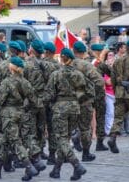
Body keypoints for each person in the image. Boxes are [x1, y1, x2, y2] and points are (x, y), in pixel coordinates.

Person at [0, 56, 39, 181]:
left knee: (15, 142)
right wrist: (26, 109)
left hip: (8, 114)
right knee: (5, 142)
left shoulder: (7, 81)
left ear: (11, 67)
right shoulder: (25, 82)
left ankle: (29, 166)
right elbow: (34, 101)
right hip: (21, 113)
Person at [45, 48, 87, 181]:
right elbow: (83, 92)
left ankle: (76, 165)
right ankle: (56, 170)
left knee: (61, 139)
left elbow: (50, 94)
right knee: (65, 139)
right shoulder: (78, 74)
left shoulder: (56, 74)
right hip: (74, 108)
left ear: (61, 58)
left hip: (60, 108)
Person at [108, 39, 129, 153]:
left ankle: (112, 138)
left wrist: (116, 89)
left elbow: (113, 78)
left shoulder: (117, 61)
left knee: (118, 118)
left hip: (119, 93)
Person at [72, 41, 99, 160]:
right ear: (84, 52)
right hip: (85, 100)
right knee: (85, 127)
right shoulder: (86, 65)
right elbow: (99, 81)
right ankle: (86, 153)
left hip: (70, 100)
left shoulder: (67, 64)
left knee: (72, 125)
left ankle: (75, 136)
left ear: (73, 51)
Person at [104, 51, 116, 135]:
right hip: (108, 93)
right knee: (110, 112)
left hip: (117, 93)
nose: (111, 57)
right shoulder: (104, 68)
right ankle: (108, 131)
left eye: (112, 55)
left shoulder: (117, 68)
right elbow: (108, 82)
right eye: (109, 55)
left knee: (116, 113)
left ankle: (114, 130)